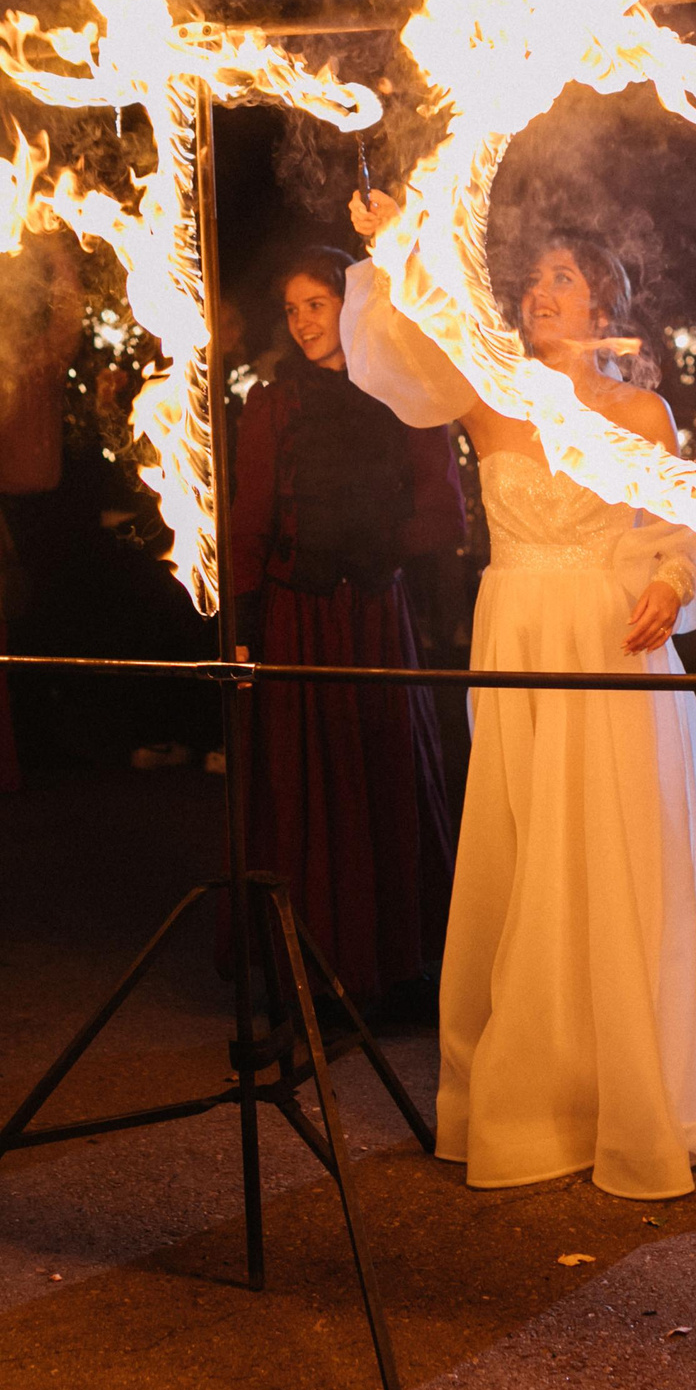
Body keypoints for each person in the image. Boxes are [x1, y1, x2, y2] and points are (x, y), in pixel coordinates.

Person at [341, 191, 696, 1199]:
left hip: (605, 642)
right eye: (534, 278)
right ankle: (543, 1085)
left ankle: (640, 1073)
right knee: (529, 840)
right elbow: (396, 354)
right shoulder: (486, 395)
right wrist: (389, 245)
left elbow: (681, 528)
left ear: (602, 309)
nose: (539, 292)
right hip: (514, 638)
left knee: (614, 850)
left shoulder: (637, 413)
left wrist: (671, 584)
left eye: (562, 280)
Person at [231, 246, 464, 1016]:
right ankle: (318, 973)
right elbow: (249, 523)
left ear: (349, 306)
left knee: (382, 773)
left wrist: (380, 544)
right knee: (312, 782)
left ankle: (396, 966)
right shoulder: (272, 406)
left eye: (316, 305)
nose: (302, 323)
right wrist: (242, 623)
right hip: (300, 618)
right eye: (291, 309)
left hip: (372, 615)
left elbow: (444, 512)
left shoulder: (398, 393)